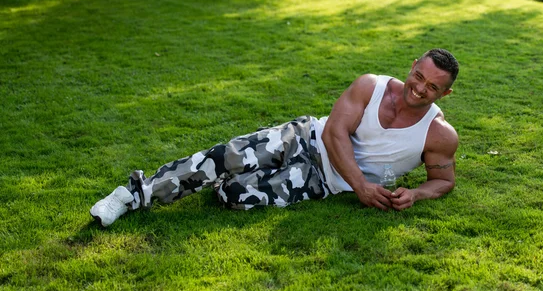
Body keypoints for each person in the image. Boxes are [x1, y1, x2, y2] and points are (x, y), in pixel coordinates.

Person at [90, 48, 459, 227]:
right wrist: (361, 186)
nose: (419, 89)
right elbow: (334, 132)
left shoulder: (439, 134)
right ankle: (132, 195)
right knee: (227, 157)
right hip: (304, 138)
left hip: (321, 183)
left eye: (432, 87)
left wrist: (416, 193)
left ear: (444, 95)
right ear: (412, 65)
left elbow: (443, 180)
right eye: (419, 77)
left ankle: (221, 186)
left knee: (234, 195)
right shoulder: (370, 86)